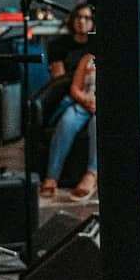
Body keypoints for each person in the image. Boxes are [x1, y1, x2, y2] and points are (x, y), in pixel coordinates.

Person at [39, 48, 98, 201]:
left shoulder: (119, 60)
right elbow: (74, 89)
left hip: (104, 108)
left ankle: (92, 175)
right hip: (84, 103)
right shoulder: (88, 58)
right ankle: (52, 177)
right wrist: (85, 100)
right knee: (67, 120)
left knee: (98, 124)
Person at [47, 3, 95, 79]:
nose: (81, 21)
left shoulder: (97, 45)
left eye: (87, 18)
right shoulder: (58, 45)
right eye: (78, 17)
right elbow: (59, 78)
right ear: (72, 20)